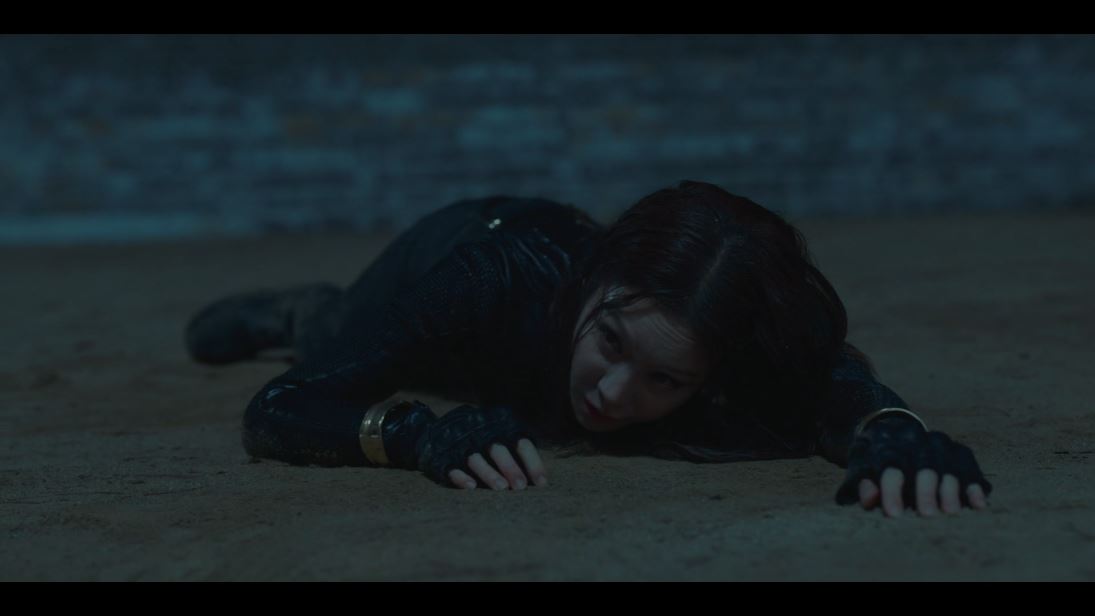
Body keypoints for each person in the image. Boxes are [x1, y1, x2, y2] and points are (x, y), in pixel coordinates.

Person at [184, 181, 992, 517]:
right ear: (598, 285)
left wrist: (891, 428)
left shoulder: (709, 338)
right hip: (462, 251)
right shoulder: (488, 278)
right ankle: (307, 309)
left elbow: (825, 376)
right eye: (609, 342)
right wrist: (414, 432)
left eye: (663, 379)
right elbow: (278, 410)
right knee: (351, 341)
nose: (610, 393)